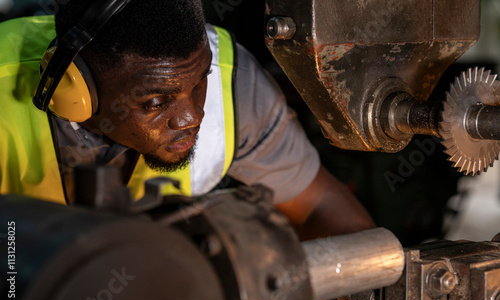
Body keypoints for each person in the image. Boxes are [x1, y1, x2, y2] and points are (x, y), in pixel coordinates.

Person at [0, 0, 374, 240]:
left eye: (200, 82)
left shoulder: (234, 82)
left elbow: (319, 206)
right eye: (157, 100)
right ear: (75, 91)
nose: (193, 116)